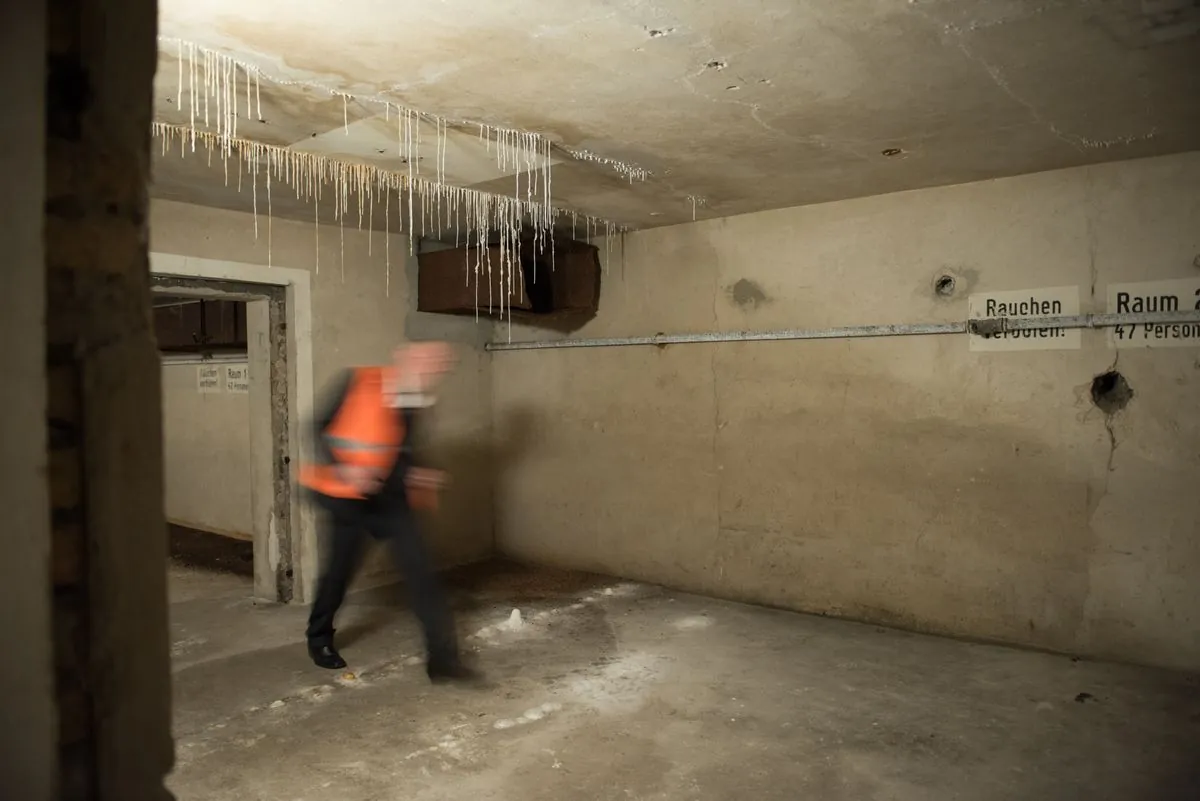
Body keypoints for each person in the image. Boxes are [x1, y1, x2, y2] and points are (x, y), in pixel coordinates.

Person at [298, 341, 478, 683]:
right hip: (348, 500)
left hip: (392, 503)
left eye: (439, 365)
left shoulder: (416, 404)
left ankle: (443, 662)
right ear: (404, 357)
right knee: (337, 575)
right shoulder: (356, 381)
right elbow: (316, 427)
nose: (433, 370)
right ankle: (318, 639)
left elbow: (399, 453)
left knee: (423, 577)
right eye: (426, 360)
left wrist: (415, 472)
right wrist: (345, 468)